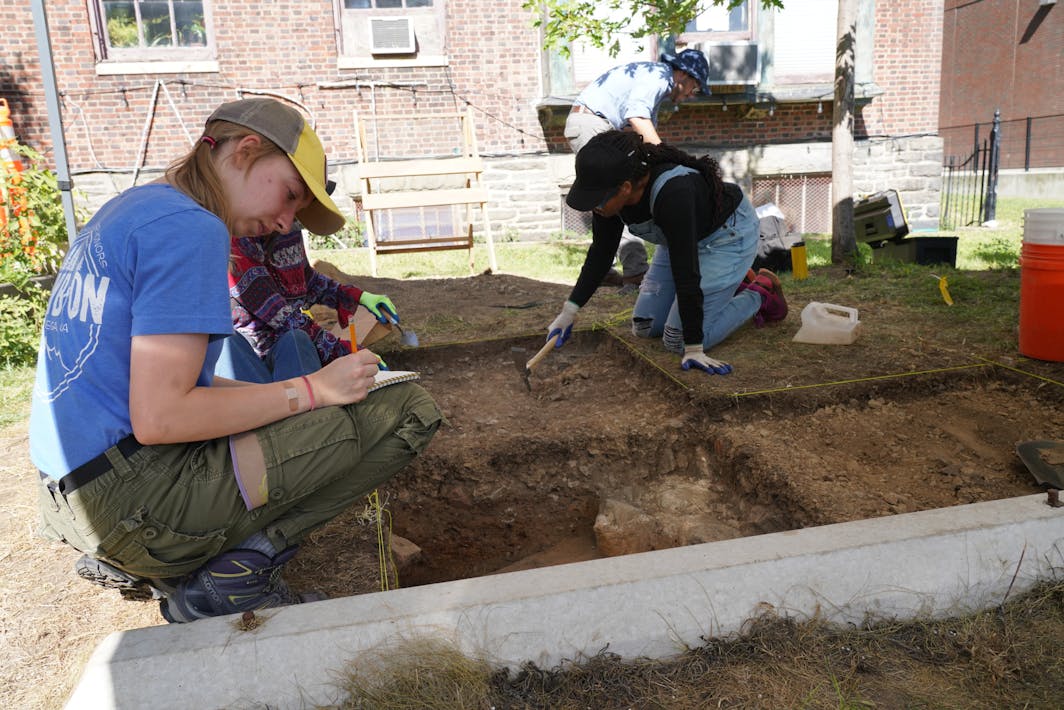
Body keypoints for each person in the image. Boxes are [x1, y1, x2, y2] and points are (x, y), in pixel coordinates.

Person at [30, 98, 442, 623]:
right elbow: (162, 418)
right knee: (409, 407)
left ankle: (160, 563)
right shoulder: (192, 228)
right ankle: (233, 577)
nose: (283, 221)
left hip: (72, 496)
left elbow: (164, 392)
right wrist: (312, 393)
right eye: (290, 195)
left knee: (296, 406)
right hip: (130, 500)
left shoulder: (131, 208)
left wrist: (311, 388)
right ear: (246, 151)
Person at [546, 130, 787, 375]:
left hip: (727, 237)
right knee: (645, 326)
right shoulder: (609, 198)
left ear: (625, 188)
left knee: (677, 339)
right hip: (681, 238)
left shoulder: (674, 193)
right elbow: (601, 253)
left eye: (596, 201)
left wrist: (694, 347)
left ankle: (761, 292)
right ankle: (724, 287)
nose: (594, 208)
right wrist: (569, 311)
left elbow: (686, 272)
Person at [564, 49, 712, 290]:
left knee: (623, 189)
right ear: (683, 75)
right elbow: (637, 119)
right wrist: (670, 159)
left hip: (595, 123)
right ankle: (631, 273)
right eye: (693, 89)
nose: (690, 96)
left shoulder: (652, 79)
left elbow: (640, 137)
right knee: (620, 193)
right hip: (592, 123)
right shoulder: (658, 78)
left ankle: (612, 269)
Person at [217, 223, 400, 383]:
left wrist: (356, 296)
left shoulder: (289, 230)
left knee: (297, 341)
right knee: (291, 340)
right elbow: (281, 316)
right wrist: (344, 351)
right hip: (248, 363)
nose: (288, 221)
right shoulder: (235, 240)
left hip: (288, 356)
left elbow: (308, 281)